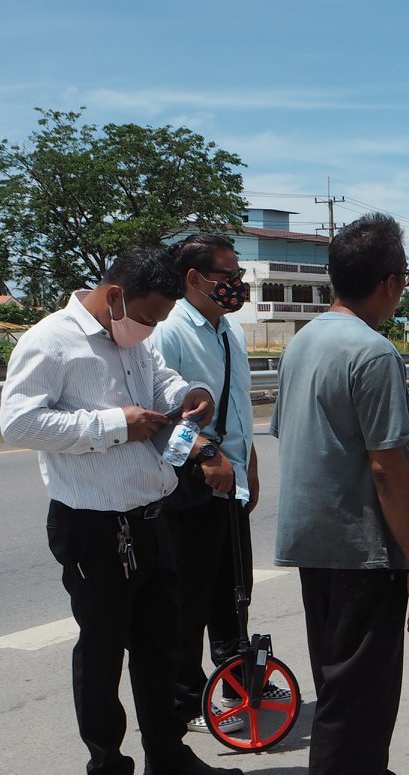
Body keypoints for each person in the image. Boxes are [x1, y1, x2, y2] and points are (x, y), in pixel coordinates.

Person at [0, 246, 243, 775]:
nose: (152, 328)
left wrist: (188, 396)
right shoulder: (51, 341)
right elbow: (18, 422)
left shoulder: (134, 340)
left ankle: (168, 757)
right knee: (103, 651)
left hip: (150, 514)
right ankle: (108, 773)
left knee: (161, 647)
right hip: (92, 523)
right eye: (149, 316)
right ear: (115, 297)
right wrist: (115, 424)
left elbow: (161, 383)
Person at [270, 212, 409, 775]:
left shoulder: (305, 341)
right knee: (357, 696)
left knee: (348, 684)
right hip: (360, 544)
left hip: (313, 539)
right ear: (391, 282)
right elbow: (387, 467)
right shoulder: (374, 354)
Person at [151, 234, 258, 736]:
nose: (237, 284)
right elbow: (160, 416)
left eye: (239, 274)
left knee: (233, 590)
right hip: (190, 479)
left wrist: (249, 463)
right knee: (188, 595)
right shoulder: (170, 331)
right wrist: (206, 454)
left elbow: (238, 406)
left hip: (231, 477)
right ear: (194, 278)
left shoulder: (228, 331)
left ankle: (238, 683)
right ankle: (186, 698)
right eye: (227, 275)